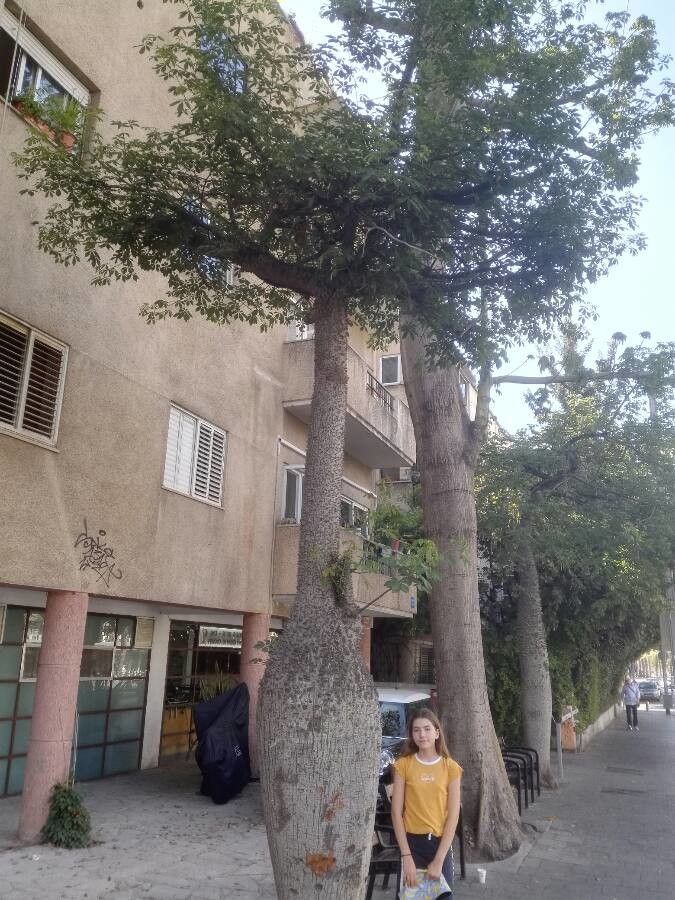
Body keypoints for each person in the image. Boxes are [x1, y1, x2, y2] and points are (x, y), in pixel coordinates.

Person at [391, 708, 462, 892]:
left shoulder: (451, 768)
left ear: (437, 733)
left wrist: (438, 861)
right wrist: (406, 856)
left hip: (440, 845)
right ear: (411, 735)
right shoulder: (403, 766)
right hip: (411, 845)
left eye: (427, 729)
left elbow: (453, 817)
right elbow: (396, 813)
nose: (422, 734)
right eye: (416, 730)